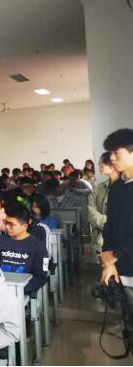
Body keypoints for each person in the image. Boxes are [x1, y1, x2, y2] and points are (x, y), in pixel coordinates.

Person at [100, 129, 133, 349]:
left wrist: (116, 255)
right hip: (121, 265)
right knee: (128, 318)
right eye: (110, 152)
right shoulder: (117, 188)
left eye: (116, 152)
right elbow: (110, 226)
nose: (112, 157)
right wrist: (108, 258)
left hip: (125, 258)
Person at [0, 203, 49, 295]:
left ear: (25, 226)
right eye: (5, 222)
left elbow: (41, 277)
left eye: (11, 224)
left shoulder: (38, 247)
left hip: (21, 292)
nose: (6, 227)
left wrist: (18, 289)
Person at [89, 152, 120, 256]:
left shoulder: (126, 187)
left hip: (122, 241)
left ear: (114, 164)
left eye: (103, 163)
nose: (99, 166)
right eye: (99, 163)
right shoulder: (99, 188)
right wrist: (109, 223)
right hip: (101, 240)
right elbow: (91, 210)